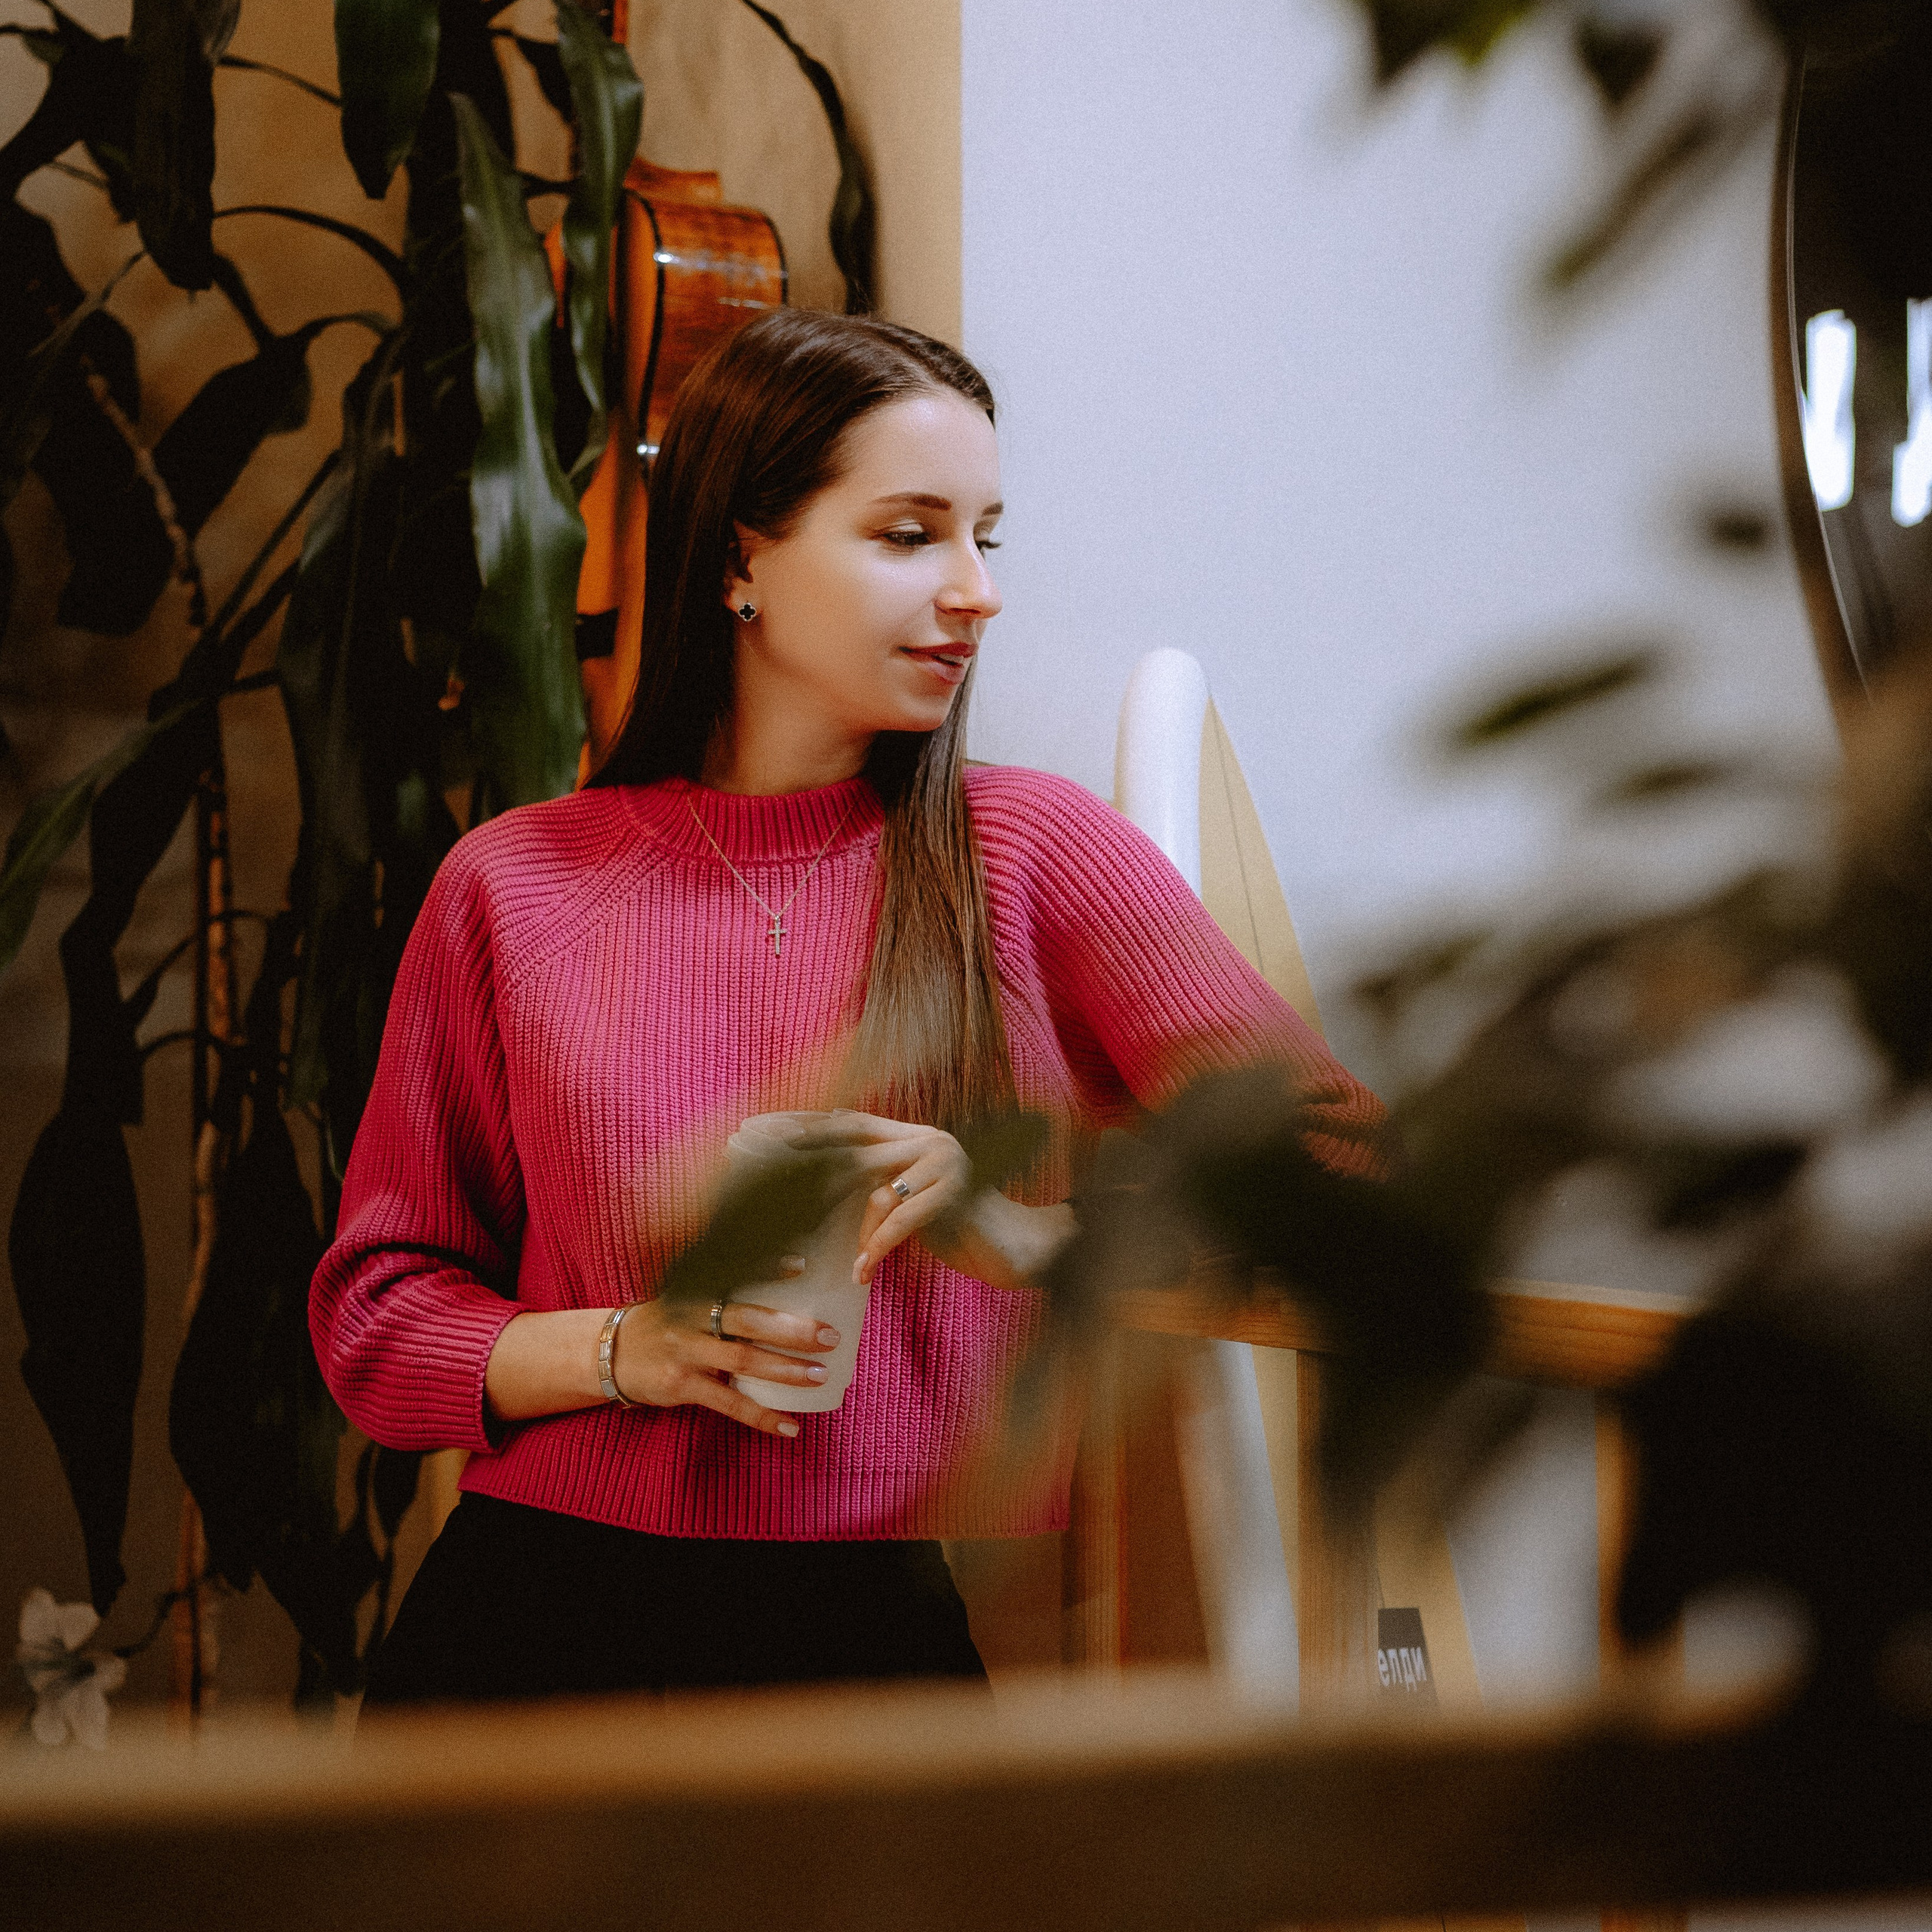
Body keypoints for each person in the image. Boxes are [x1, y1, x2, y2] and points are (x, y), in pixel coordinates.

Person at [310, 307, 1386, 1707]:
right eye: (908, 535)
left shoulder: (1030, 854)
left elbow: (1347, 1176)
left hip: (870, 1639)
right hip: (523, 1630)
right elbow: (379, 1317)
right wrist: (631, 1351)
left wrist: (1022, 1230)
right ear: (742, 555)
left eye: (986, 538)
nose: (977, 591)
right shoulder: (514, 883)